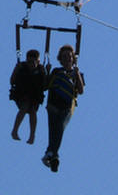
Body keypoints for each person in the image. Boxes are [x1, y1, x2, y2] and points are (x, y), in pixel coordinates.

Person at [41, 44, 84, 172]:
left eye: (69, 57)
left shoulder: (77, 73)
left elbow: (80, 91)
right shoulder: (56, 71)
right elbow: (45, 86)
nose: (67, 59)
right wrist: (47, 71)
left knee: (59, 127)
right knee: (54, 129)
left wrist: (78, 75)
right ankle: (53, 155)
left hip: (66, 106)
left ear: (73, 59)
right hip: (53, 104)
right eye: (64, 57)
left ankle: (51, 153)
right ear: (60, 59)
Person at [10, 49, 46, 144]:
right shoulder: (22, 68)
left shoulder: (41, 70)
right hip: (22, 94)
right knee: (25, 107)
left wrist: (47, 71)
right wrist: (16, 69)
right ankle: (15, 130)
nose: (31, 65)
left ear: (38, 62)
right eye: (29, 62)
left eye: (33, 62)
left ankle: (32, 135)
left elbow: (45, 86)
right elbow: (12, 81)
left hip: (34, 96)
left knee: (33, 111)